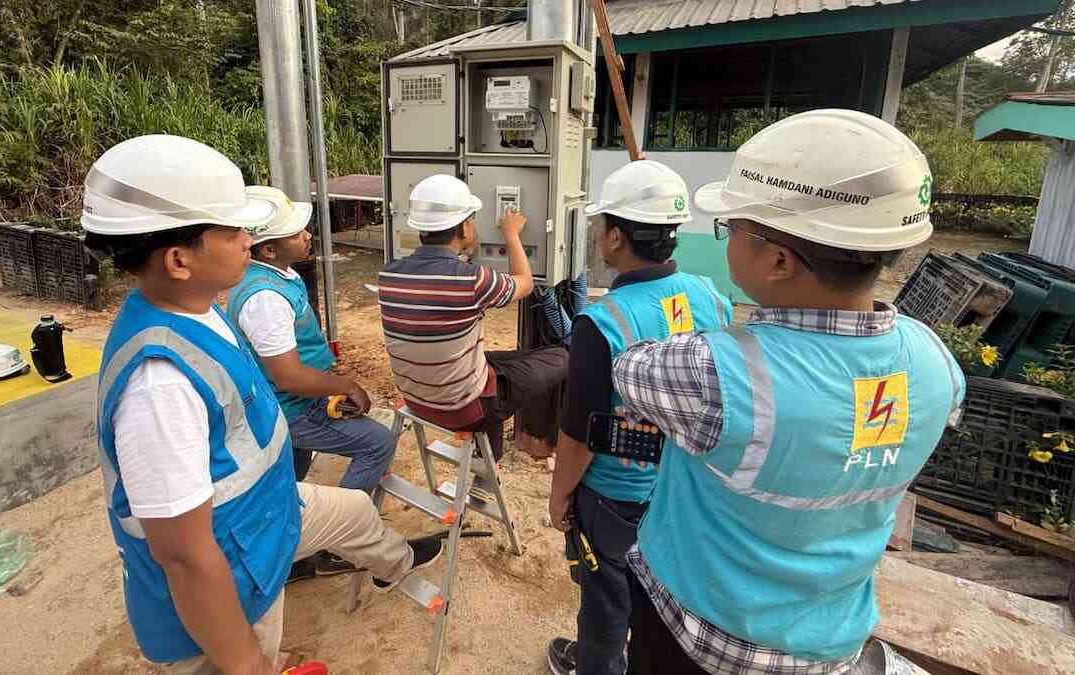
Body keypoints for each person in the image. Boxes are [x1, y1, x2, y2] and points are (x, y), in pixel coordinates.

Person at [609, 110, 965, 674]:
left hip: (699, 636)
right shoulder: (935, 359)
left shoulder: (718, 372)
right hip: (832, 638)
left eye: (732, 229)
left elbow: (629, 369)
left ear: (778, 259)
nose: (726, 240)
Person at [83, 134, 442, 674]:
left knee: (355, 511)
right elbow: (184, 555)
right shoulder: (159, 385)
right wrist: (248, 663)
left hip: (265, 513)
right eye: (232, 231)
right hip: (234, 561)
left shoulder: (199, 308)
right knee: (254, 647)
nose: (247, 241)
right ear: (179, 260)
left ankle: (394, 563)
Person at [545, 161, 733, 675]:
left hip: (617, 499)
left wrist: (560, 497)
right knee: (663, 603)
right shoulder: (711, 296)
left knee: (607, 605)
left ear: (615, 236)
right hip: (685, 488)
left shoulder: (600, 323)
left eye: (601, 224)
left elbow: (579, 434)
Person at [378, 174, 568, 461]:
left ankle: (489, 459)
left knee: (500, 361)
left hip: (417, 399)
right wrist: (511, 234)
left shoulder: (388, 274)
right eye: (472, 219)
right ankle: (520, 445)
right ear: (464, 227)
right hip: (463, 409)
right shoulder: (473, 280)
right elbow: (525, 282)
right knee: (562, 357)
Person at [226, 186, 395, 492]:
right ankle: (347, 518)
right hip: (293, 408)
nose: (307, 236)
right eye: (295, 234)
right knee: (378, 443)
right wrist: (347, 386)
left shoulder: (277, 276)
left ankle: (287, 508)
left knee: (292, 468)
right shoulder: (265, 298)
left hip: (293, 400)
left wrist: (324, 367)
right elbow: (289, 378)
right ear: (269, 250)